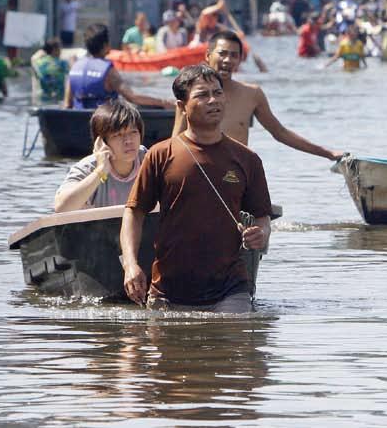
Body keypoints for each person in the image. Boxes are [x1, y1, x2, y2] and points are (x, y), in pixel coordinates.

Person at [122, 65, 272, 313]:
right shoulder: (161, 154)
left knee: (239, 345)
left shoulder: (247, 159)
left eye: (218, 93)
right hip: (168, 290)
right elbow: (134, 212)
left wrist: (260, 234)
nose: (213, 100)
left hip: (230, 289)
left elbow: (263, 218)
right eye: (202, 95)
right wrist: (130, 265)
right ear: (181, 106)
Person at [174, 31, 342, 159]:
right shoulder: (191, 94)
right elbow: (176, 140)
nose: (227, 60)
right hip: (199, 169)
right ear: (208, 56)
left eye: (234, 55)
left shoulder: (252, 94)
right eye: (222, 53)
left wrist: (327, 153)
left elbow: (280, 132)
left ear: (240, 60)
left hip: (235, 173)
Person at [54, 100, 147, 212]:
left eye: (133, 132)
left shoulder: (150, 160)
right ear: (101, 142)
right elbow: (61, 208)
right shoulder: (89, 167)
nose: (128, 141)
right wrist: (101, 171)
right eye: (118, 135)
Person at [65, 24, 174, 110]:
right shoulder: (109, 72)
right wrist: (163, 102)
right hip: (104, 123)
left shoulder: (74, 68)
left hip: (79, 119)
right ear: (105, 45)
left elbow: (67, 104)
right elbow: (132, 97)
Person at [31, 37, 69, 103]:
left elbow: (33, 59)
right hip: (59, 99)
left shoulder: (38, 63)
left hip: (42, 99)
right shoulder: (62, 63)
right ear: (54, 49)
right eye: (59, 48)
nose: (61, 51)